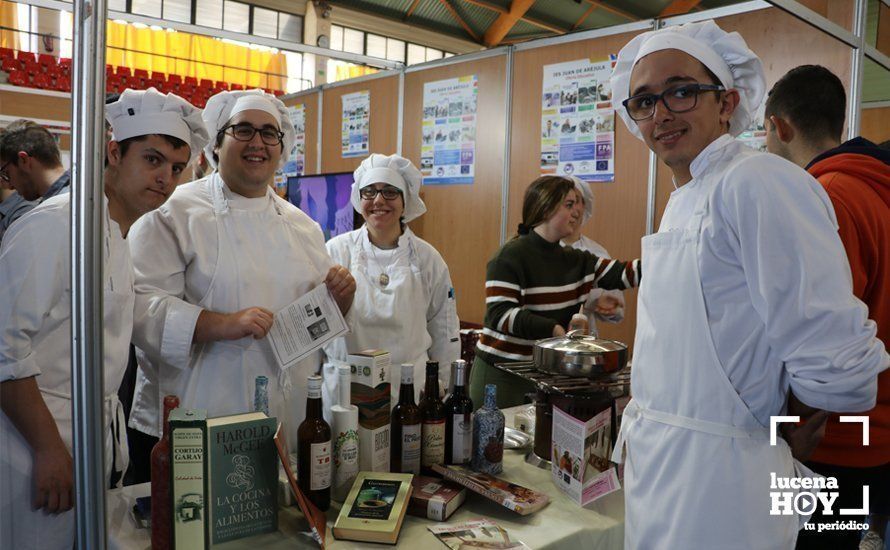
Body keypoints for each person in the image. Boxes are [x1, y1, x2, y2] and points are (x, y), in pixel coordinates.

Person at [608, 20, 888, 549]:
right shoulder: (687, 197)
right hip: (667, 471)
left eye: (682, 91)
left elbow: (838, 371)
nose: (661, 111)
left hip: (724, 486)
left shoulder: (759, 182)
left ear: (727, 101)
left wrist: (786, 424)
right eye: (643, 101)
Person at [0, 88, 207, 549]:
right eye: (152, 160)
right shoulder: (55, 225)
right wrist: (49, 450)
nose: (165, 179)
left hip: (89, 441)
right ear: (114, 152)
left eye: (176, 168)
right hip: (32, 445)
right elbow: (4, 349)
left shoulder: (117, 235)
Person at [128, 89, 356, 456]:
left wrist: (340, 301)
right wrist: (223, 324)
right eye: (244, 130)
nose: (258, 143)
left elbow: (314, 327)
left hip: (286, 412)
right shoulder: (174, 212)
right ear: (216, 144)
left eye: (270, 133)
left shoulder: (303, 226)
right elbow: (139, 308)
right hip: (197, 414)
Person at [764, 64, 889, 550]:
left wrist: (791, 436)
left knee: (801, 543)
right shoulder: (877, 186)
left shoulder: (825, 198)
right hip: (871, 435)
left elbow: (824, 338)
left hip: (827, 441)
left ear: (780, 127)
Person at [469, 175, 641, 408]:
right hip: (502, 373)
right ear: (546, 208)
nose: (578, 211)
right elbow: (502, 315)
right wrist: (553, 330)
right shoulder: (509, 257)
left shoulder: (576, 260)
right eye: (569, 205)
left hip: (543, 374)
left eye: (579, 205)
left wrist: (669, 254)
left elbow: (624, 273)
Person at [322, 154, 460, 409]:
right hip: (345, 392)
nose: (378, 201)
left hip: (409, 391)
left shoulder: (429, 259)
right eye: (369, 192)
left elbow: (444, 331)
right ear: (358, 199)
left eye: (389, 192)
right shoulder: (335, 252)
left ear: (405, 202)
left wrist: (442, 389)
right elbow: (316, 328)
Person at [558, 176, 625, 336]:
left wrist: (607, 307)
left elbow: (617, 312)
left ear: (585, 207)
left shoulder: (598, 254)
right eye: (566, 202)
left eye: (577, 201)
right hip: (536, 345)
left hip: (581, 349)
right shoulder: (535, 250)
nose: (572, 210)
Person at [0, 120, 71, 243]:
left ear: (23, 160)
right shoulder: (77, 195)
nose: (10, 186)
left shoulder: (57, 209)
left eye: (7, 173)